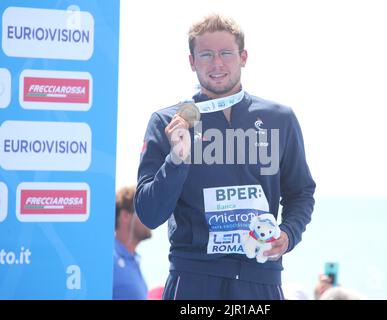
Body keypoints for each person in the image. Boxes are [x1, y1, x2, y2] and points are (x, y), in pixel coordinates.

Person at [134, 13, 316, 300]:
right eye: (205, 54)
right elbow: (149, 213)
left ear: (243, 57)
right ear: (191, 61)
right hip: (193, 279)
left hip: (261, 278)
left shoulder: (279, 118)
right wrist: (177, 159)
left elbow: (301, 192)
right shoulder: (167, 121)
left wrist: (288, 234)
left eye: (226, 53)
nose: (216, 63)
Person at [113, 186, 152, 300]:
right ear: (125, 216)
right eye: (143, 211)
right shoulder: (109, 258)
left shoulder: (132, 261)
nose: (150, 217)